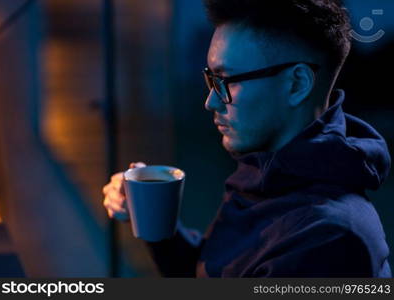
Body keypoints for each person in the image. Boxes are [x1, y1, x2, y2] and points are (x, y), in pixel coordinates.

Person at [103, 0, 392, 277]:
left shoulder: (328, 240)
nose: (211, 102)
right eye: (211, 79)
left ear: (296, 84)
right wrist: (155, 221)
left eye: (226, 81)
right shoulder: (267, 169)